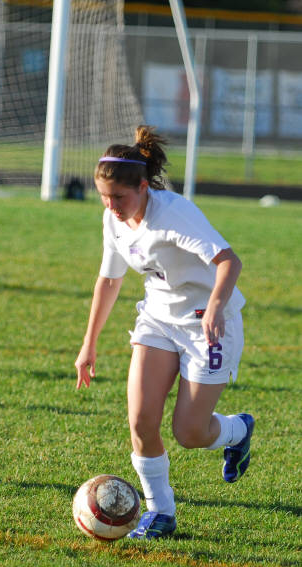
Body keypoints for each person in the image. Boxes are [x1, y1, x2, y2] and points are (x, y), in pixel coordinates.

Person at [74, 126, 254, 541]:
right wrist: (89, 345)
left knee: (189, 433)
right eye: (104, 197)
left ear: (143, 187)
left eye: (119, 197)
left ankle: (237, 430)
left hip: (208, 325)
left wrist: (214, 307)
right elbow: (109, 280)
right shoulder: (114, 219)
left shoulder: (173, 214)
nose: (111, 206)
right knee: (140, 421)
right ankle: (161, 511)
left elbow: (229, 261)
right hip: (157, 320)